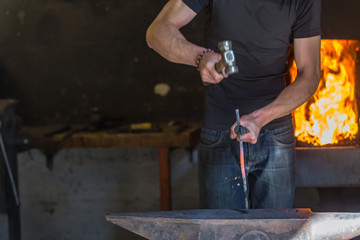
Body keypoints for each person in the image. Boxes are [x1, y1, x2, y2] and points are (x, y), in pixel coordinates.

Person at [146, 0, 321, 209]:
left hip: (275, 134)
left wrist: (260, 118)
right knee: (221, 232)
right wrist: (199, 57)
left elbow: (310, 76)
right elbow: (157, 31)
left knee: (276, 231)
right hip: (220, 131)